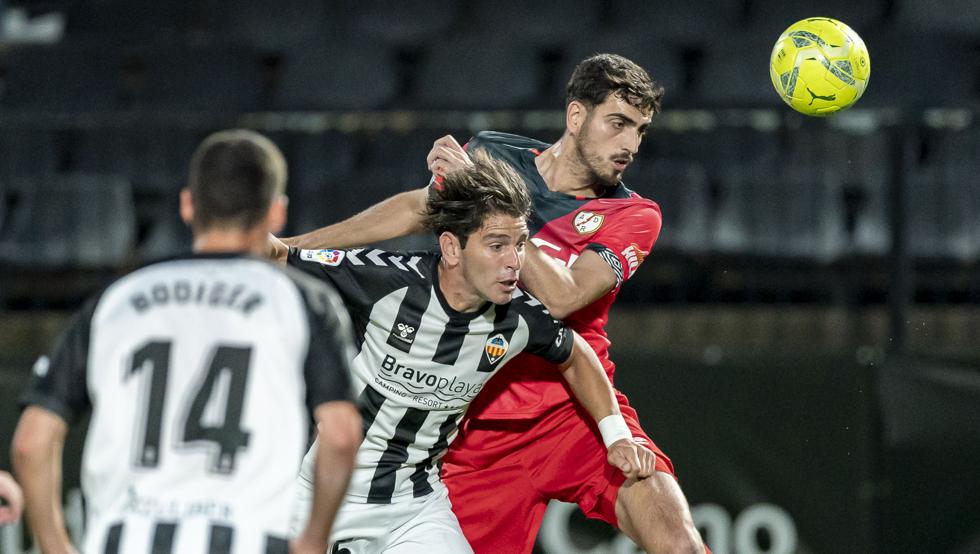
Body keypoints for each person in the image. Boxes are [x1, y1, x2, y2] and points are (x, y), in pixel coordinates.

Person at [281, 54, 707, 553]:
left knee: (680, 544)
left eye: (640, 130)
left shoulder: (633, 214)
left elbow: (564, 296)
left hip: (573, 414)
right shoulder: (492, 152)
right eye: (618, 124)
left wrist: (486, 197)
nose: (630, 145)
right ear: (576, 117)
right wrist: (289, 250)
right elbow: (418, 209)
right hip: (475, 431)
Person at [267, 150, 655, 553]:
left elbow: (576, 354)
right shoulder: (385, 280)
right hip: (320, 495)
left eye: (520, 244)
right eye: (497, 245)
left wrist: (617, 437)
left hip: (413, 508)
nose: (514, 263)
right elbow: (278, 257)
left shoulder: (520, 316)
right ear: (452, 248)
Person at [11, 129, 362, 554]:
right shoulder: (301, 301)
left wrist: (56, 547)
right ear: (276, 214)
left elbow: (32, 441)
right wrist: (313, 540)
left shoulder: (118, 299)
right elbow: (341, 436)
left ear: (187, 205)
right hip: (248, 540)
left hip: (126, 541)